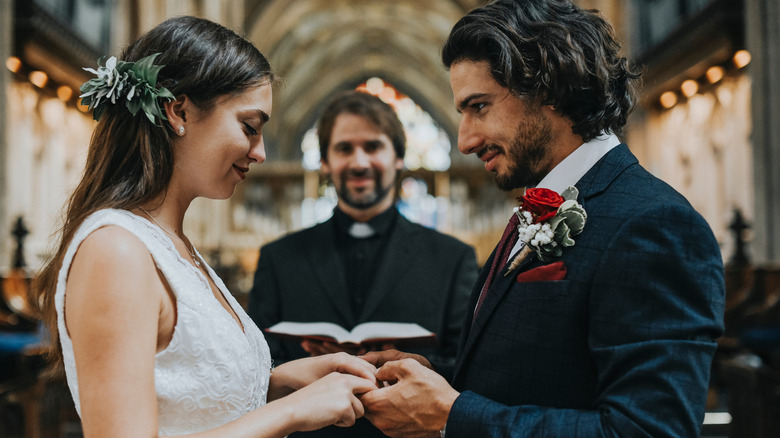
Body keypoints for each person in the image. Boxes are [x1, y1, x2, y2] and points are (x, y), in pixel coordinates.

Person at [360, 1, 726, 437]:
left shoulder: (653, 224)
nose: (465, 140)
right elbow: (539, 373)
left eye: (479, 107)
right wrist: (436, 379)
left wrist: (452, 416)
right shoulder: (541, 203)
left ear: (549, 88)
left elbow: (649, 430)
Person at [30, 16, 378, 437]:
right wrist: (291, 412)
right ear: (179, 111)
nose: (260, 152)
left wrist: (277, 384)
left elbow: (184, 399)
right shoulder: (116, 250)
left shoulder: (173, 245)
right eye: (249, 127)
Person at [247, 90, 478, 437]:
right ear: (324, 161)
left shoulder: (452, 257)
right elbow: (255, 367)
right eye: (344, 149)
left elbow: (466, 367)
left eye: (372, 147)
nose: (359, 162)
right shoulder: (279, 258)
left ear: (398, 158)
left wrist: (421, 367)